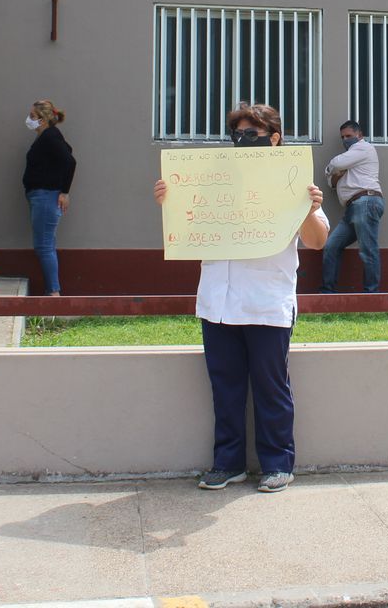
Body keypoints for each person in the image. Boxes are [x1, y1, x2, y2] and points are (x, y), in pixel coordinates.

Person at [153, 103, 328, 494]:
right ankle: (227, 463)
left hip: (267, 301)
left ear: (275, 138)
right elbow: (186, 221)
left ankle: (277, 464)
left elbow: (318, 241)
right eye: (238, 134)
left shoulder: (295, 180)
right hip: (217, 301)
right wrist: (172, 198)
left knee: (271, 387)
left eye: (254, 134)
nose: (244, 141)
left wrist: (308, 207)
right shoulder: (212, 179)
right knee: (225, 388)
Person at [320, 120, 383, 293]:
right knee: (331, 246)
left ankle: (371, 294)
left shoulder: (364, 148)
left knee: (367, 249)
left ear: (360, 135)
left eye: (349, 136)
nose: (346, 140)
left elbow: (336, 165)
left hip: (366, 201)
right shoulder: (351, 157)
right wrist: (334, 172)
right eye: (343, 137)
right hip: (352, 208)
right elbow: (331, 183)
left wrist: (333, 169)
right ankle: (327, 291)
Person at [23, 99, 76, 297]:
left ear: (43, 119)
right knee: (46, 245)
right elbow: (67, 152)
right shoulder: (48, 136)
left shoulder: (50, 136)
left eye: (33, 117)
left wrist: (64, 191)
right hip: (42, 196)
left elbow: (69, 161)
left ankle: (54, 294)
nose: (29, 120)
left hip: (46, 197)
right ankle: (53, 292)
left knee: (44, 246)